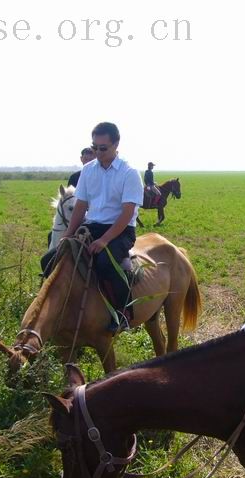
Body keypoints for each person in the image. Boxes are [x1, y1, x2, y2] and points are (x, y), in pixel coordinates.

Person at [60, 122, 143, 331]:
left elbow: (127, 213)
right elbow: (80, 206)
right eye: (94, 147)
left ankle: (123, 312)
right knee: (52, 258)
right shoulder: (88, 171)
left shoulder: (129, 173)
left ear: (116, 144)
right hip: (91, 226)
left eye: (103, 148)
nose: (97, 152)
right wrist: (67, 236)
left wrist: (104, 240)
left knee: (106, 261)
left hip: (120, 230)